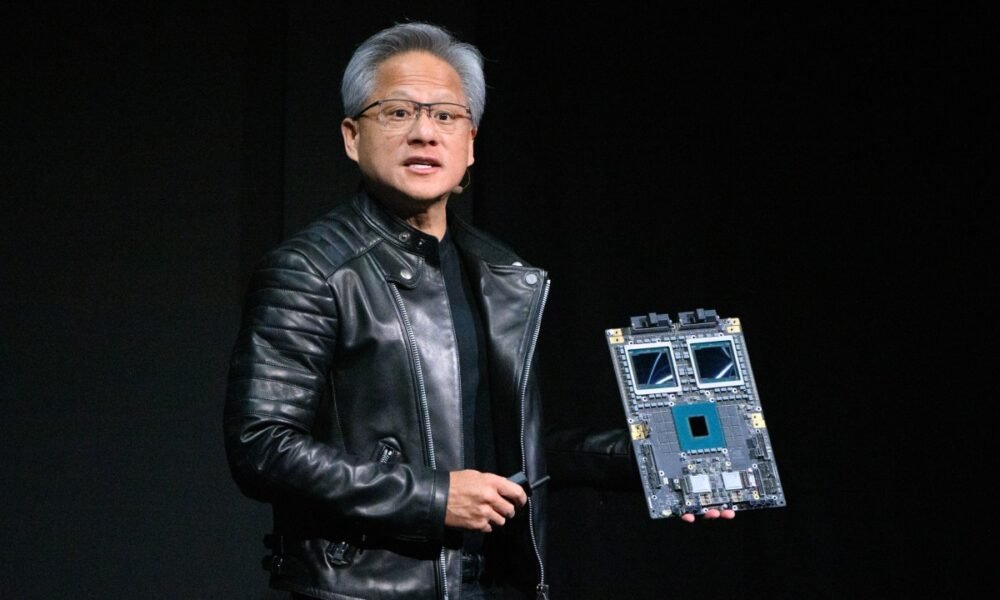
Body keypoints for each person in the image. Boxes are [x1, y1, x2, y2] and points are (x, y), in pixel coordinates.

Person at [224, 21, 733, 600]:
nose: (424, 133)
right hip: (363, 588)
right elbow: (261, 446)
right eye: (397, 112)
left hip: (487, 584)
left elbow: (508, 445)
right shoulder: (311, 269)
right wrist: (435, 496)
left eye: (445, 116)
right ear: (351, 136)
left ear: (470, 143)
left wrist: (652, 459)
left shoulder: (498, 271)